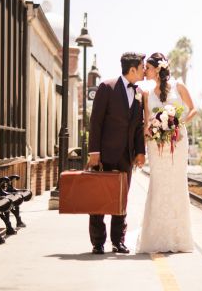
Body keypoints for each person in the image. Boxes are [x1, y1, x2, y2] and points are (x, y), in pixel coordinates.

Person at [86, 52, 147, 254]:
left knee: (122, 199)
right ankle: (97, 242)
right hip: (105, 155)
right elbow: (96, 122)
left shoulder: (138, 93)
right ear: (132, 69)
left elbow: (138, 126)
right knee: (99, 199)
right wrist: (94, 152)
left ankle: (118, 241)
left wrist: (140, 152)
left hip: (126, 157)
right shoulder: (107, 87)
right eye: (142, 67)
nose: (144, 70)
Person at [136, 52, 197, 253]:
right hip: (156, 146)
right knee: (159, 185)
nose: (145, 71)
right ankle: (157, 239)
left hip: (177, 143)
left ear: (158, 69)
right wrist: (152, 130)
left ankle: (179, 239)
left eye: (148, 68)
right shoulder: (146, 93)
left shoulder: (179, 86)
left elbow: (192, 109)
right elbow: (146, 122)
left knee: (177, 184)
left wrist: (177, 124)